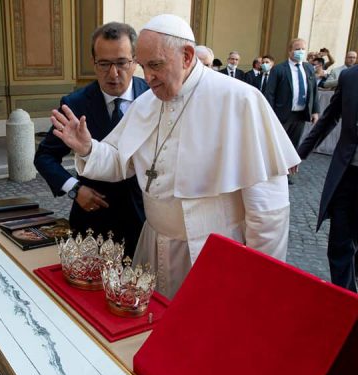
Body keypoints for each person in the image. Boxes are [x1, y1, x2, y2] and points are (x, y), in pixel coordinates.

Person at [50, 14, 300, 299]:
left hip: (210, 249)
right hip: (154, 244)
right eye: (143, 67)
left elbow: (268, 208)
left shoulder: (240, 100)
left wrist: (257, 275)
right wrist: (88, 149)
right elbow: (120, 161)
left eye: (155, 65)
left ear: (187, 56)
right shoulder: (146, 104)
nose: (148, 77)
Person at [34, 22, 147, 257]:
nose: (113, 73)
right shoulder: (75, 103)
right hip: (93, 218)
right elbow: (45, 156)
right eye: (104, 64)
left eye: (121, 63)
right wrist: (75, 189)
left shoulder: (153, 98)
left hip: (145, 218)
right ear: (94, 63)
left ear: (135, 61)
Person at [296, 65, 358, 293]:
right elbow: (330, 118)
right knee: (339, 244)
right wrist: (299, 154)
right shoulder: (350, 76)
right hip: (347, 175)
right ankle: (348, 304)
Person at [264, 38, 320, 154]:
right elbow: (270, 94)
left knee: (293, 146)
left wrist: (315, 111)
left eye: (303, 49)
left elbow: (314, 90)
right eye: (297, 49)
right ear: (290, 51)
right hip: (282, 114)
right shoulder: (279, 69)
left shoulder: (308, 68)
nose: (300, 52)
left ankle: (289, 170)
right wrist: (270, 114)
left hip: (301, 114)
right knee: (278, 145)